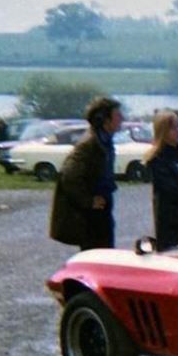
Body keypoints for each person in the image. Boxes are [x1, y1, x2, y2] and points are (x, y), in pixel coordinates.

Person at [49, 96, 123, 250]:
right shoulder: (88, 145)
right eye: (117, 115)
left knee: (106, 253)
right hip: (91, 215)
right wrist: (89, 201)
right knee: (95, 255)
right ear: (105, 120)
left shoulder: (105, 141)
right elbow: (69, 176)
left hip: (103, 208)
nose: (122, 118)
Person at [144, 110, 178, 250]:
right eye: (173, 128)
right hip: (171, 219)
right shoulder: (157, 158)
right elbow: (170, 190)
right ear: (163, 131)